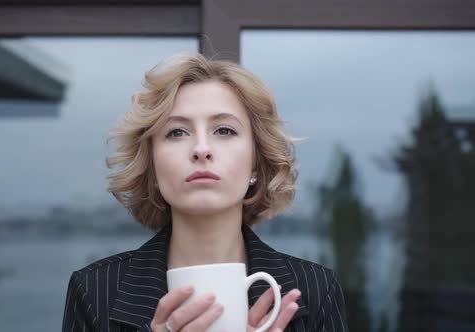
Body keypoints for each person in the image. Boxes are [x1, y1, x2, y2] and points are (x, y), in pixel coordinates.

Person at [62, 53, 349, 332]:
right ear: (153, 165)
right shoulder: (93, 292)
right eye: (177, 132)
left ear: (256, 164)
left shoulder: (316, 290)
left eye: (224, 130)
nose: (201, 149)